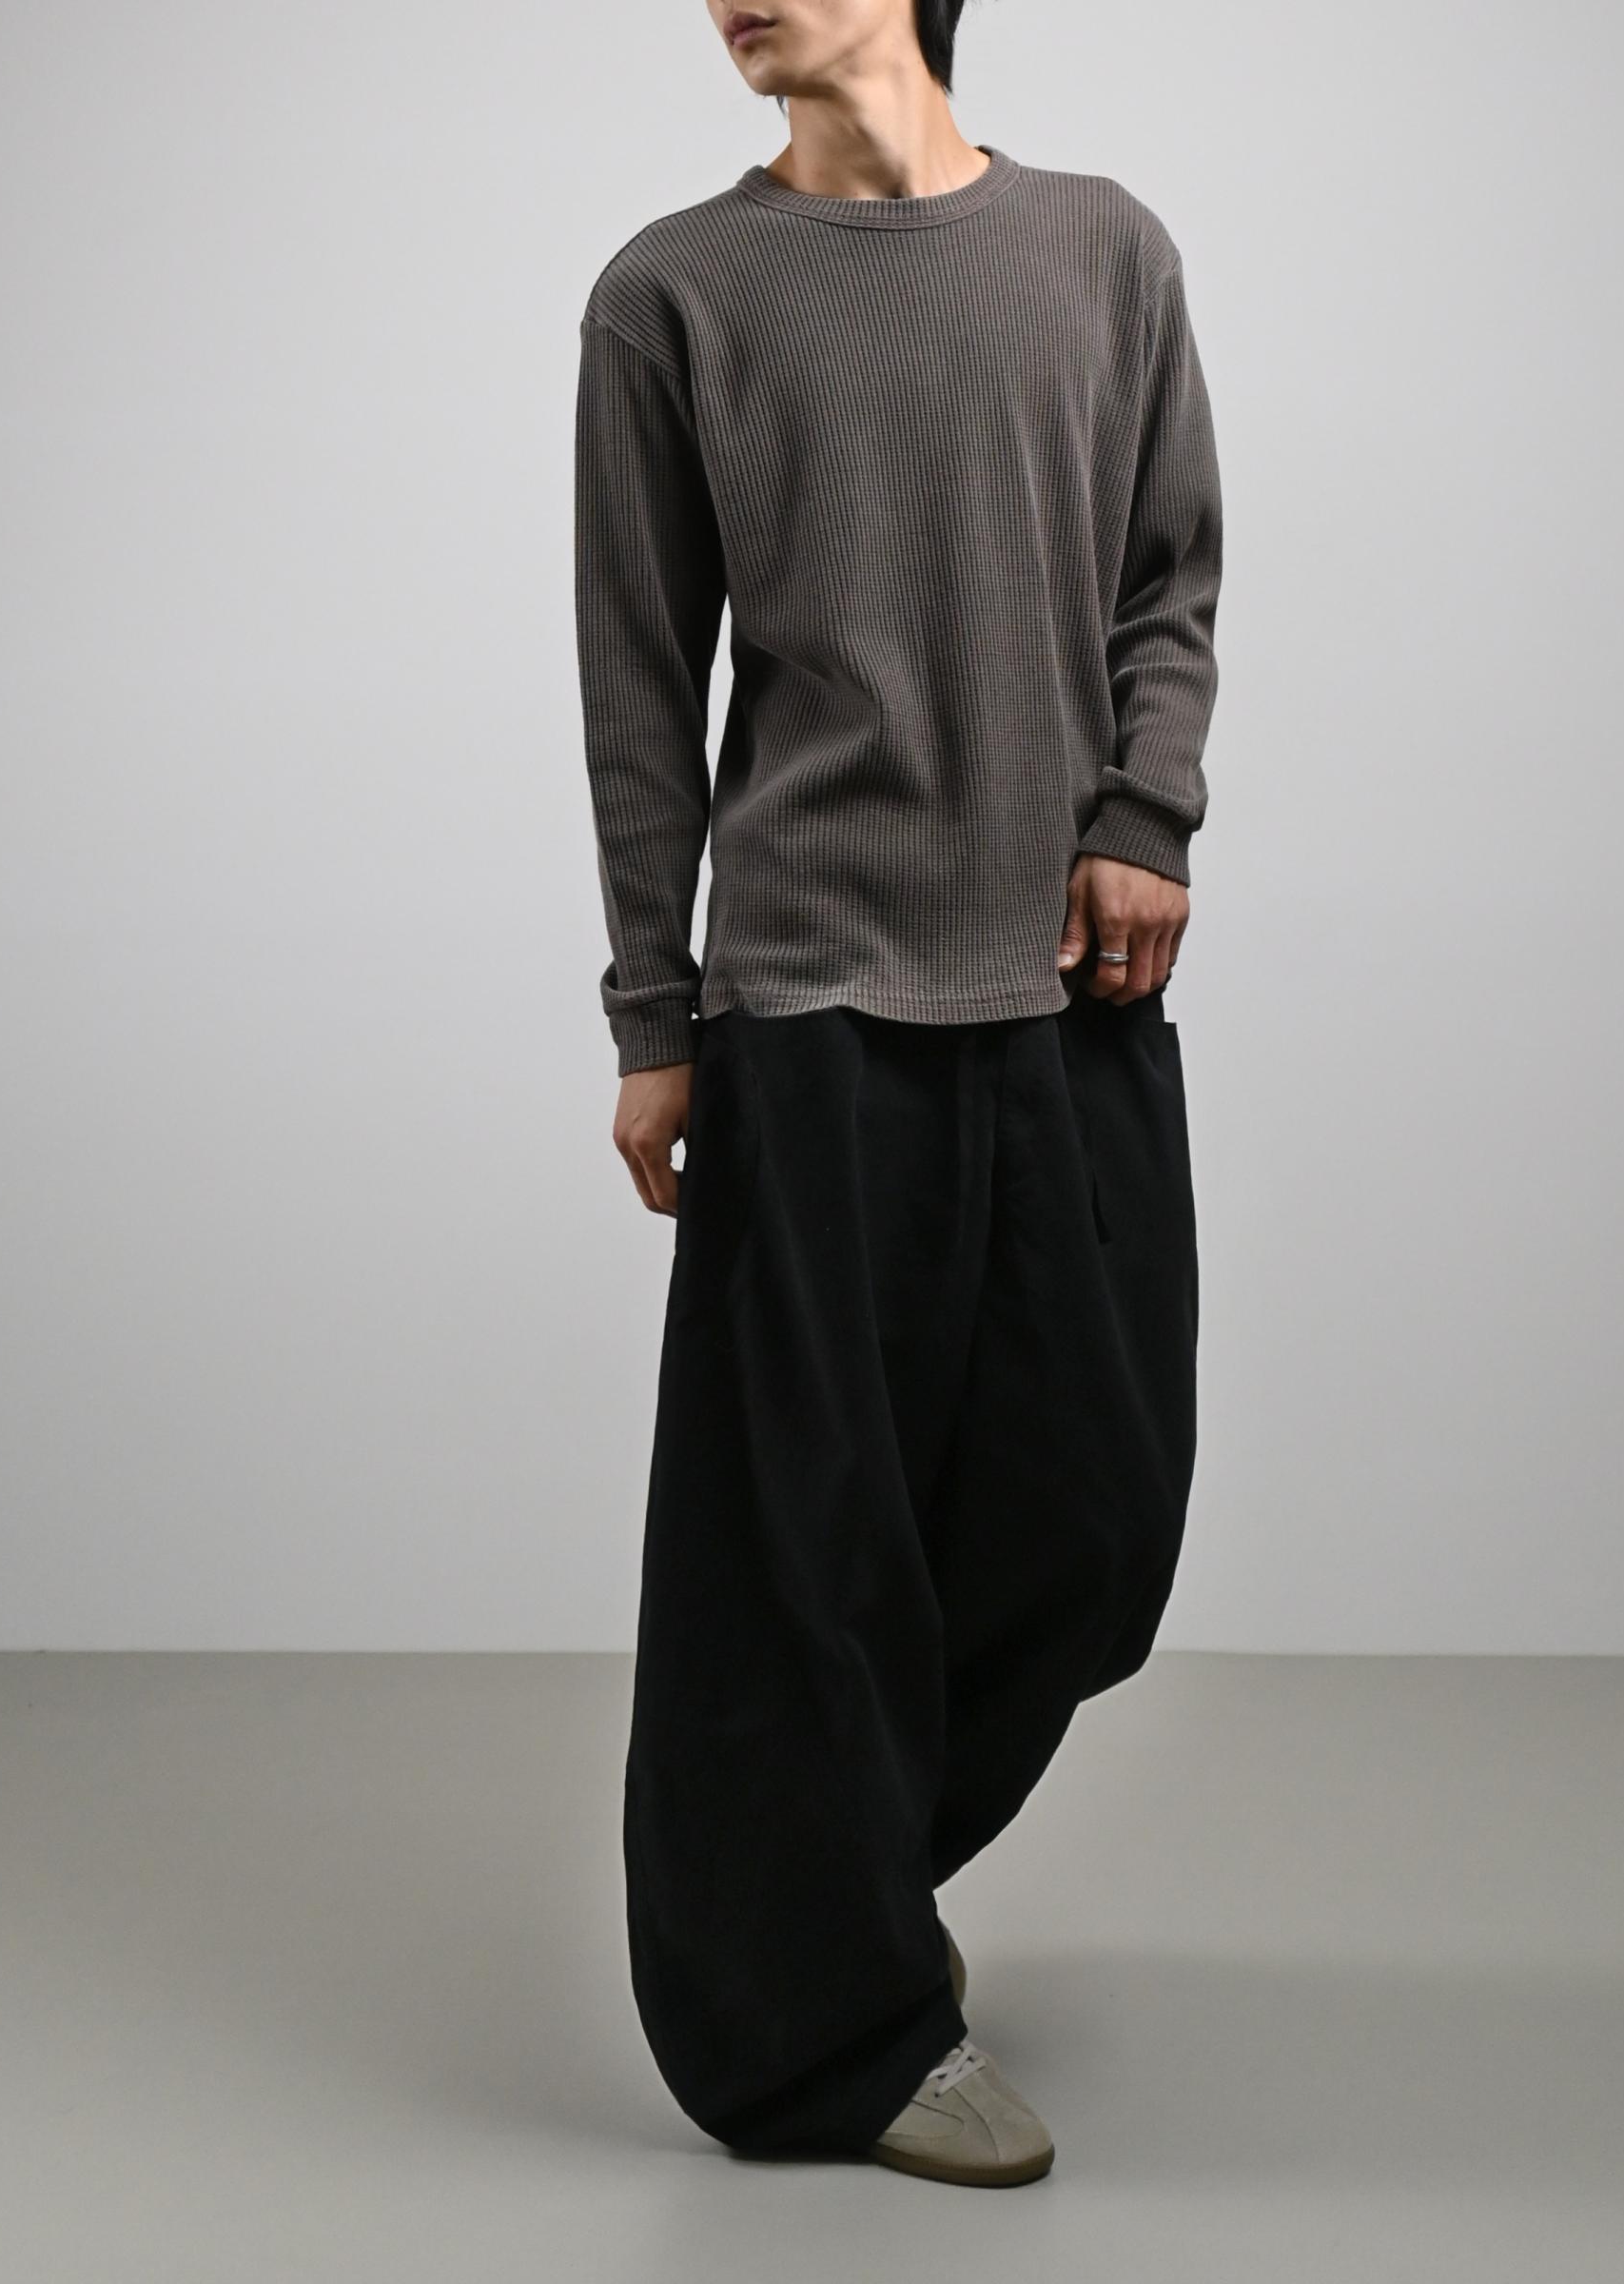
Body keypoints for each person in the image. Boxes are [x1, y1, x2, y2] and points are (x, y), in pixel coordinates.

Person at [573, 0, 1222, 2189]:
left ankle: (818, 1893)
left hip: (1062, 985)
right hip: (809, 996)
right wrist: (655, 1014)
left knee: (1094, 1517)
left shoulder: (1103, 252)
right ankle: (822, 2040)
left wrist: (1146, 813)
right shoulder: (674, 294)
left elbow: (1166, 578)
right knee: (810, 1553)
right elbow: (643, 682)